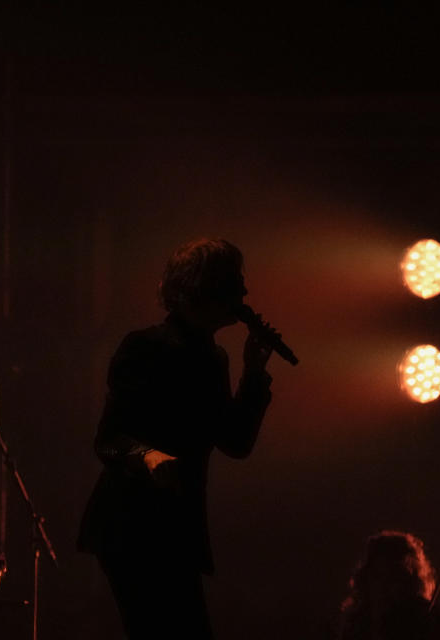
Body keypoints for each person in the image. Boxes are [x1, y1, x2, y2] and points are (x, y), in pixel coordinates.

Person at [77, 238, 276, 639]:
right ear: (206, 287)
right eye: (235, 282)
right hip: (132, 528)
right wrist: (149, 456)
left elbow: (235, 442)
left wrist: (253, 373)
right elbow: (108, 440)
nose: (244, 293)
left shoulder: (213, 357)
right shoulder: (146, 347)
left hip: (175, 531)